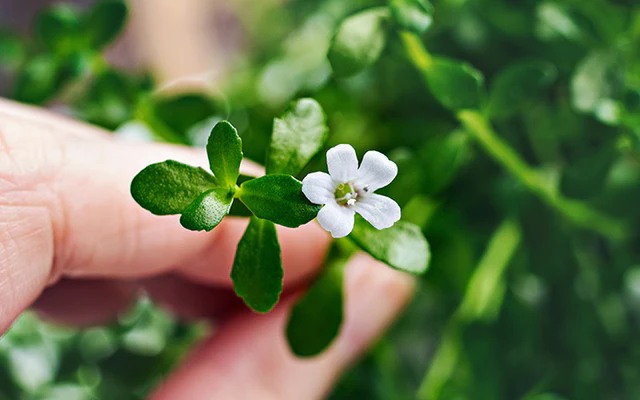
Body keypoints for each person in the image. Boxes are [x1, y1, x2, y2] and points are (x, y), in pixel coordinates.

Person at [0, 98, 415, 399]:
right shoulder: (324, 193)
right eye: (344, 188)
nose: (348, 191)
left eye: (349, 189)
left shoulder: (354, 198)